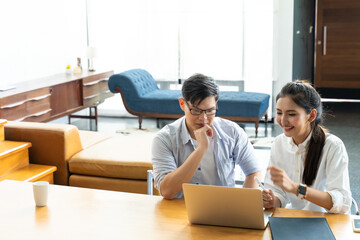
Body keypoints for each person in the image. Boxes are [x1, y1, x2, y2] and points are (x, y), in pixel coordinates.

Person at [152, 73, 262, 199]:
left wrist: (243, 203)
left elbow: (254, 171)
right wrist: (201, 149)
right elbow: (166, 190)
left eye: (210, 111)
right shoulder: (164, 139)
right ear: (182, 104)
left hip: (223, 210)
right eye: (196, 111)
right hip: (179, 211)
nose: (203, 119)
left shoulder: (232, 132)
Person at [262, 81, 352, 213]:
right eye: (279, 113)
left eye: (291, 114)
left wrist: (297, 188)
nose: (283, 120)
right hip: (294, 220)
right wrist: (271, 200)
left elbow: (342, 202)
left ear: (312, 115)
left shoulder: (333, 146)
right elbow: (278, 193)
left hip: (326, 221)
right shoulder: (278, 143)